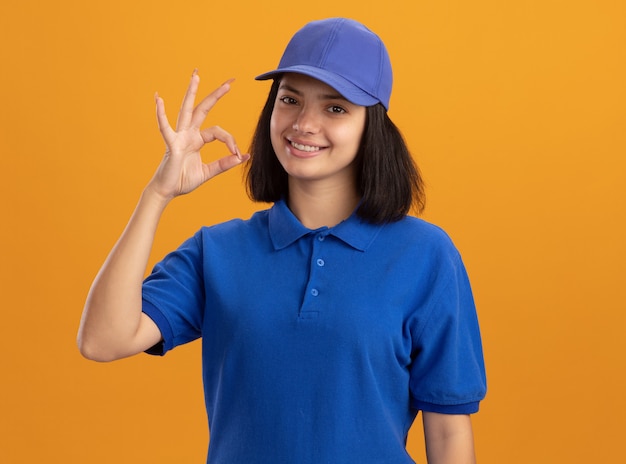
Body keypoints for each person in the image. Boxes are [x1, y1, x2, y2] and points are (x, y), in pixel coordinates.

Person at [78, 17, 486, 464]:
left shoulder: (425, 255)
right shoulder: (216, 252)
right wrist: (156, 195)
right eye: (290, 100)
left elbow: (447, 432)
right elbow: (102, 341)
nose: (304, 124)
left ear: (372, 126)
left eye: (335, 108)